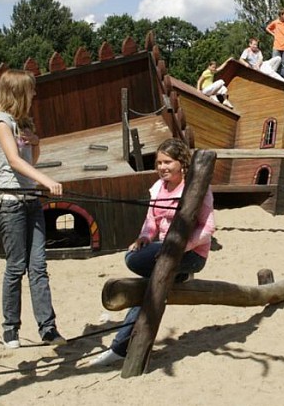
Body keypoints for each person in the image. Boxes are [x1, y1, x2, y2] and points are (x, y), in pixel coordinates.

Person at [88, 138, 215, 366]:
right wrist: (144, 238)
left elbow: (207, 229)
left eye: (168, 162)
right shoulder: (157, 188)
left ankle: (120, 347)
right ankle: (123, 345)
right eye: (158, 163)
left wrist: (179, 249)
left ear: (182, 163)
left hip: (191, 254)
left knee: (147, 278)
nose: (162, 167)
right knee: (134, 261)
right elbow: (151, 222)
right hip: (166, 253)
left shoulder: (196, 188)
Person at [0, 69, 66, 349]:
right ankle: (10, 329)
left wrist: (36, 142)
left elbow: (29, 159)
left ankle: (48, 328)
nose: (34, 95)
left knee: (39, 267)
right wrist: (46, 180)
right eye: (31, 90)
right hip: (11, 204)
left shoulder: (21, 122)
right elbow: (13, 160)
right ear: (19, 92)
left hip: (31, 201)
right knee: (16, 267)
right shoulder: (1, 122)